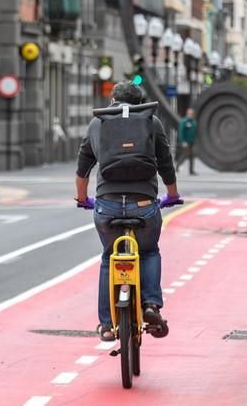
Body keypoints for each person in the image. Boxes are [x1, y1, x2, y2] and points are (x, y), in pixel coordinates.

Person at [74, 81, 181, 342]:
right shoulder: (151, 122)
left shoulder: (97, 123)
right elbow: (166, 164)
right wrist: (173, 195)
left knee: (109, 257)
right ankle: (150, 305)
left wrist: (82, 198)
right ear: (140, 101)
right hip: (143, 204)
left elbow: (83, 169)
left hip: (107, 205)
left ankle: (107, 325)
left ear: (112, 100)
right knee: (148, 251)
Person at [176, 108, 198, 175]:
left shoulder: (193, 122)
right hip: (185, 142)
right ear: (187, 114)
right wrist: (182, 141)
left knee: (192, 155)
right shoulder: (184, 121)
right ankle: (177, 167)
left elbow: (195, 132)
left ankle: (191, 170)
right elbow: (181, 132)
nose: (191, 115)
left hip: (191, 141)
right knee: (185, 155)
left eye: (192, 114)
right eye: (190, 113)